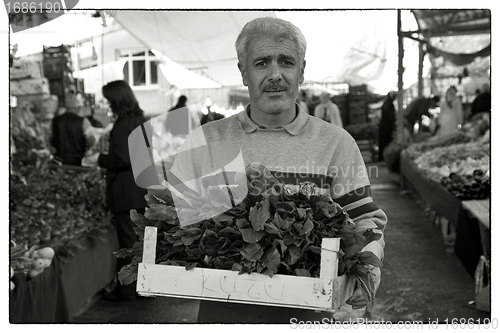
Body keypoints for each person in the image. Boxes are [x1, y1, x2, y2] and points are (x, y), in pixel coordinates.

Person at [168, 17, 387, 323]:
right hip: (222, 316)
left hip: (307, 315)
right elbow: (174, 225)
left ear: (302, 71)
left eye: (286, 61)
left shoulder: (336, 143)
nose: (275, 75)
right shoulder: (203, 142)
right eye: (261, 63)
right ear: (243, 72)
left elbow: (365, 219)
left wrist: (368, 266)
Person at [83, 80, 154, 300]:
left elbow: (122, 158)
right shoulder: (140, 119)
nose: (107, 103)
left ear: (116, 99)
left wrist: (98, 158)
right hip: (142, 188)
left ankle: (126, 289)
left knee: (129, 242)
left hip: (127, 191)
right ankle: (146, 285)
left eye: (108, 99)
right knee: (144, 241)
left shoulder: (123, 124)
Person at [51, 91, 95, 166]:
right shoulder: (83, 121)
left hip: (58, 162)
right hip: (77, 163)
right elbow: (91, 142)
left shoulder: (55, 120)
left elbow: (50, 140)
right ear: (77, 105)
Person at [378, 91, 396, 161]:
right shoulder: (388, 104)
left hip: (385, 126)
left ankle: (382, 157)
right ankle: (384, 157)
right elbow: (390, 115)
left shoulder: (387, 102)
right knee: (386, 141)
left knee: (384, 141)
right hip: (386, 127)